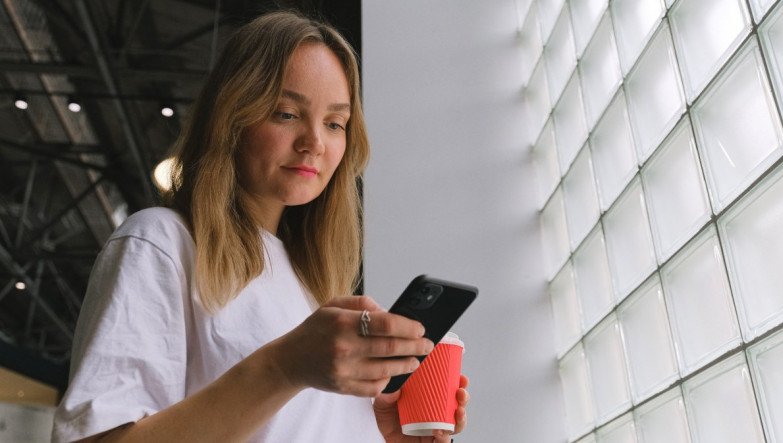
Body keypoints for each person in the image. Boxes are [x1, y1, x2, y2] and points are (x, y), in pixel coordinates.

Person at [51, 10, 469, 443]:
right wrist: (283, 366)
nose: (315, 143)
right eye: (286, 113)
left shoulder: (312, 286)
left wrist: (373, 428)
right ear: (232, 115)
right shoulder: (161, 243)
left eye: (334, 123)